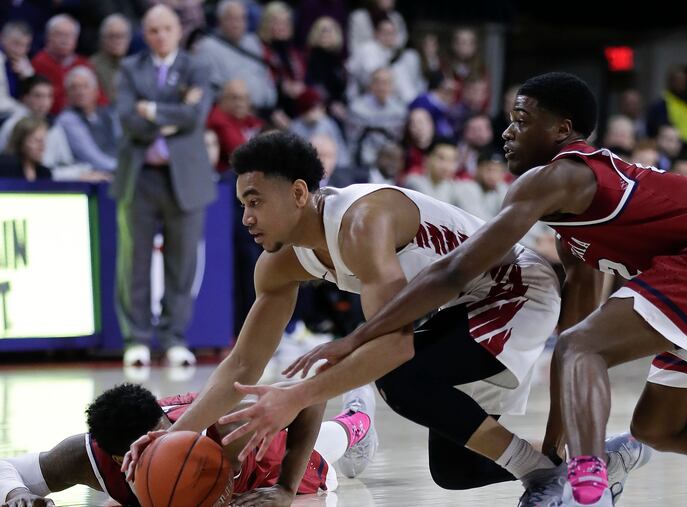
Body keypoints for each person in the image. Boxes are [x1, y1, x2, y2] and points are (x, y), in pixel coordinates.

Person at [267, 71, 687, 506]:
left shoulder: (555, 177)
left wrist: (354, 338)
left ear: (562, 131)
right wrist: (556, 441)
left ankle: (584, 492)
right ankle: (578, 470)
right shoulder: (576, 228)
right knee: (659, 427)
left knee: (575, 348)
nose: (508, 131)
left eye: (522, 119)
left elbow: (453, 273)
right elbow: (580, 325)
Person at [122, 131, 646, 506]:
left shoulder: (360, 222)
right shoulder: (278, 266)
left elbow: (392, 347)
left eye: (255, 201)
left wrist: (297, 396)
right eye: (241, 204)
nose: (247, 218)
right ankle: (595, 461)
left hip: (513, 290)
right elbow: (243, 364)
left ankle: (549, 480)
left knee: (398, 377)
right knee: (452, 471)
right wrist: (173, 434)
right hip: (453, 309)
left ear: (299, 192)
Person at [0, 383, 377, 506]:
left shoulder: (219, 431)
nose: (169, 443)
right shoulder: (86, 458)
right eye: (151, 444)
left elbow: (310, 397)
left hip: (266, 464)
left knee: (338, 443)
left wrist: (285, 488)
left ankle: (358, 418)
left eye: (166, 431)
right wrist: (15, 492)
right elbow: (7, 466)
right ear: (118, 458)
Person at [111, 5, 216, 368]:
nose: (160, 36)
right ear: (145, 32)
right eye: (153, 30)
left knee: (182, 261)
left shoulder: (197, 67)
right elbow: (127, 120)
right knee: (133, 261)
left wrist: (151, 111)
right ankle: (136, 339)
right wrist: (173, 114)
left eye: (167, 29)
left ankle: (174, 338)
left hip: (183, 178)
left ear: (178, 31)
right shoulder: (129, 68)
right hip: (139, 177)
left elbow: (196, 117)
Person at [194, 0, 278, 112]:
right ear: (220, 20)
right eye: (231, 19)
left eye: (241, 18)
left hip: (266, 111)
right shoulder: (207, 47)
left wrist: (272, 107)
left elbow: (265, 76)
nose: (236, 24)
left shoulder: (253, 42)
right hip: (234, 114)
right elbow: (211, 90)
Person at [31, 14, 101, 115]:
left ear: (76, 40)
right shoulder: (38, 63)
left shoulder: (84, 64)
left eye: (69, 35)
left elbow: (100, 97)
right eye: (59, 34)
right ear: (48, 37)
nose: (64, 40)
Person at [56, 66, 120, 173]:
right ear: (67, 94)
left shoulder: (109, 114)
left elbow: (121, 142)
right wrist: (121, 169)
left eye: (85, 86)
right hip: (89, 176)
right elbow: (90, 156)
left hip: (116, 171)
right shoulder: (67, 119)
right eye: (74, 88)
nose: (80, 92)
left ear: (96, 91)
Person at [90, 14, 131, 104]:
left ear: (128, 39)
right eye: (111, 36)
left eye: (120, 36)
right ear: (102, 39)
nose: (116, 41)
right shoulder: (92, 66)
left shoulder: (134, 65)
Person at [0, 116, 52, 181]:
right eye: (37, 141)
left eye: (43, 141)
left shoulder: (45, 173)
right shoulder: (4, 167)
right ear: (20, 141)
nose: (42, 147)